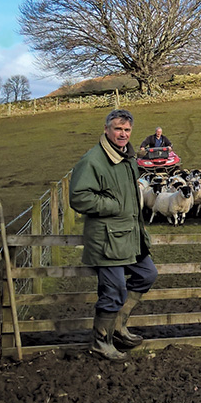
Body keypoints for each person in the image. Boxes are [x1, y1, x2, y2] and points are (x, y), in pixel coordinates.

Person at [69, 109, 158, 361]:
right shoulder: (93, 160)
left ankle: (117, 327)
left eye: (127, 130)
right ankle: (100, 341)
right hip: (107, 239)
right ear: (107, 129)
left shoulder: (128, 158)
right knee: (114, 290)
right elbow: (78, 197)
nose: (123, 134)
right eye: (118, 129)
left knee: (147, 274)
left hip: (129, 235)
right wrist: (113, 206)